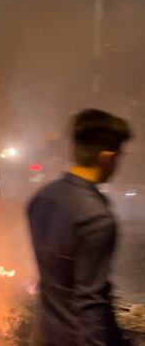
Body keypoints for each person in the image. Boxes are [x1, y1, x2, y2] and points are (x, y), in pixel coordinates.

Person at [27, 110, 132, 346]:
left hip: (45, 335)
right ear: (107, 157)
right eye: (119, 156)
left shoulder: (42, 199)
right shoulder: (96, 218)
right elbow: (90, 304)